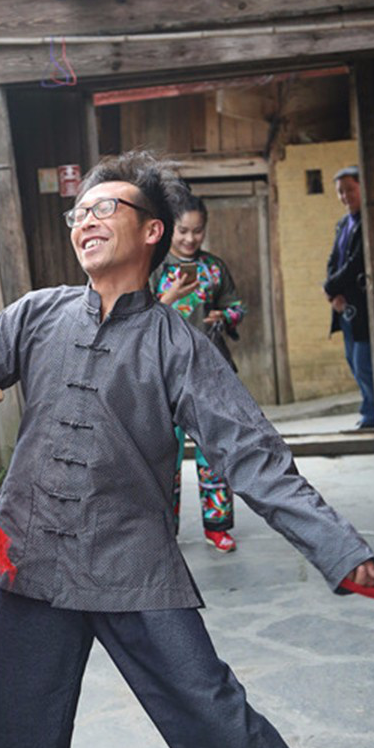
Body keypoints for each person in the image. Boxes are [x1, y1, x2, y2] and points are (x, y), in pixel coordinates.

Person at [0, 149, 374, 748]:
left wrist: (338, 548)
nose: (85, 221)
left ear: (153, 231)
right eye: (79, 211)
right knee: (14, 718)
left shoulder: (178, 344)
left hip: (131, 564)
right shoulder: (38, 313)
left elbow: (253, 455)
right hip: (34, 558)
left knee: (217, 722)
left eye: (104, 208)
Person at [150, 189, 245, 552]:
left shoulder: (215, 267)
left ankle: (217, 527)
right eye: (183, 231)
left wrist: (225, 314)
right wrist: (169, 297)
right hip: (163, 377)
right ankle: (164, 532)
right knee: (163, 459)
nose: (191, 239)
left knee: (214, 454)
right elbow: (138, 316)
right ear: (169, 229)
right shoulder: (154, 267)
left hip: (210, 374)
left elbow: (236, 306)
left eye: (198, 231)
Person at [324, 166, 374, 430]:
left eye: (349, 190)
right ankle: (369, 409)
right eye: (340, 192)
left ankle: (373, 413)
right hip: (343, 307)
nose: (345, 196)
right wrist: (332, 294)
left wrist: (330, 286)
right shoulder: (343, 224)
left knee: (363, 361)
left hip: (361, 305)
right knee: (351, 359)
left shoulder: (368, 221)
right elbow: (333, 261)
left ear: (361, 187)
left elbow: (356, 264)